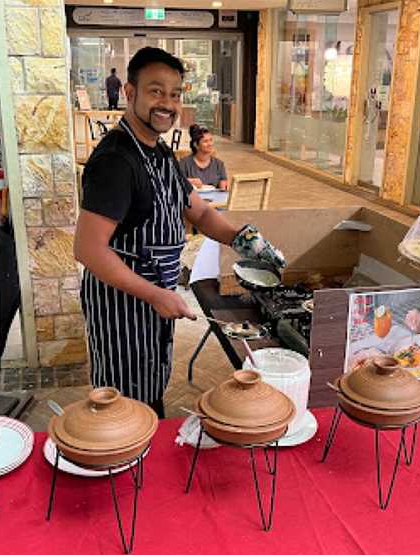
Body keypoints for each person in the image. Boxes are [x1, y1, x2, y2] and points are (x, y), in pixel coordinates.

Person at [75, 47, 285, 418]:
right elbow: (89, 250)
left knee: (151, 388)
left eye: (175, 94)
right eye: (156, 91)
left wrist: (244, 239)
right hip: (122, 305)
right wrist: (155, 294)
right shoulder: (115, 160)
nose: (167, 103)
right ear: (129, 92)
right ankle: (125, 464)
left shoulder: (157, 152)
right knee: (124, 405)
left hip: (154, 296)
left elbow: (200, 211)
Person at [179, 124, 228, 190]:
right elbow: (176, 182)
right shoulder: (184, 163)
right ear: (196, 145)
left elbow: (223, 186)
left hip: (214, 199)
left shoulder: (219, 164)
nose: (210, 144)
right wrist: (189, 181)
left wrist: (223, 186)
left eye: (211, 140)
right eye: (205, 141)